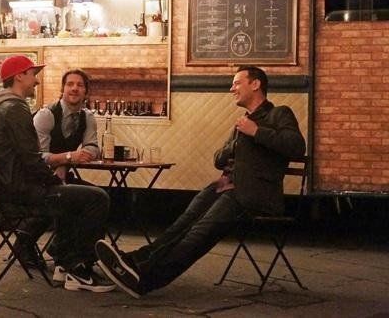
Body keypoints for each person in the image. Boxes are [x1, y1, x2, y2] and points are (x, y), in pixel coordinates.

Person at [95, 66, 306, 298]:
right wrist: (234, 143)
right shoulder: (242, 122)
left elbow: (296, 147)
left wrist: (256, 132)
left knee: (198, 234)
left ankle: (145, 279)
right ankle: (133, 261)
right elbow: (218, 159)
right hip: (223, 186)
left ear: (255, 84)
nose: (231, 88)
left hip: (253, 194)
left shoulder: (279, 114)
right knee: (181, 226)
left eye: (237, 83)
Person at [0, 55, 114, 293]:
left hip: (6, 186)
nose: (36, 82)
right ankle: (78, 268)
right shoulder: (15, 108)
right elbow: (32, 160)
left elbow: (28, 158)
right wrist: (55, 181)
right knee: (97, 198)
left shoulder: (3, 107)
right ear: (19, 76)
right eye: (33, 75)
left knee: (77, 194)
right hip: (19, 191)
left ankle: (65, 263)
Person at [14, 69, 99, 280]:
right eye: (70, 84)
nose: (74, 88)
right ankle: (67, 259)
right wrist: (67, 159)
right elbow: (38, 157)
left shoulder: (88, 117)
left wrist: (84, 154)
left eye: (80, 85)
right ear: (62, 89)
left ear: (86, 92)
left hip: (56, 176)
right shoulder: (46, 115)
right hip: (34, 178)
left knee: (96, 194)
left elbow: (93, 146)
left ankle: (66, 252)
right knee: (86, 199)